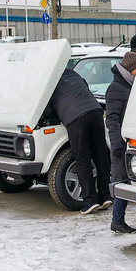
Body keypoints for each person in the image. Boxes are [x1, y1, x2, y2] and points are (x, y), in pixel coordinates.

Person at [44, 68, 112, 214]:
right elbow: (85, 86)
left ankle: (90, 201)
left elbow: (48, 111)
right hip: (95, 111)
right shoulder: (70, 72)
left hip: (76, 119)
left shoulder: (47, 81)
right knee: (101, 156)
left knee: (82, 159)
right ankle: (105, 196)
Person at [105, 51, 136, 233]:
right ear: (130, 70)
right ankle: (117, 221)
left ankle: (118, 220)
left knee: (128, 180)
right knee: (122, 181)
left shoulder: (128, 85)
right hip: (121, 143)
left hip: (130, 142)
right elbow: (111, 118)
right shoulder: (116, 88)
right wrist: (117, 143)